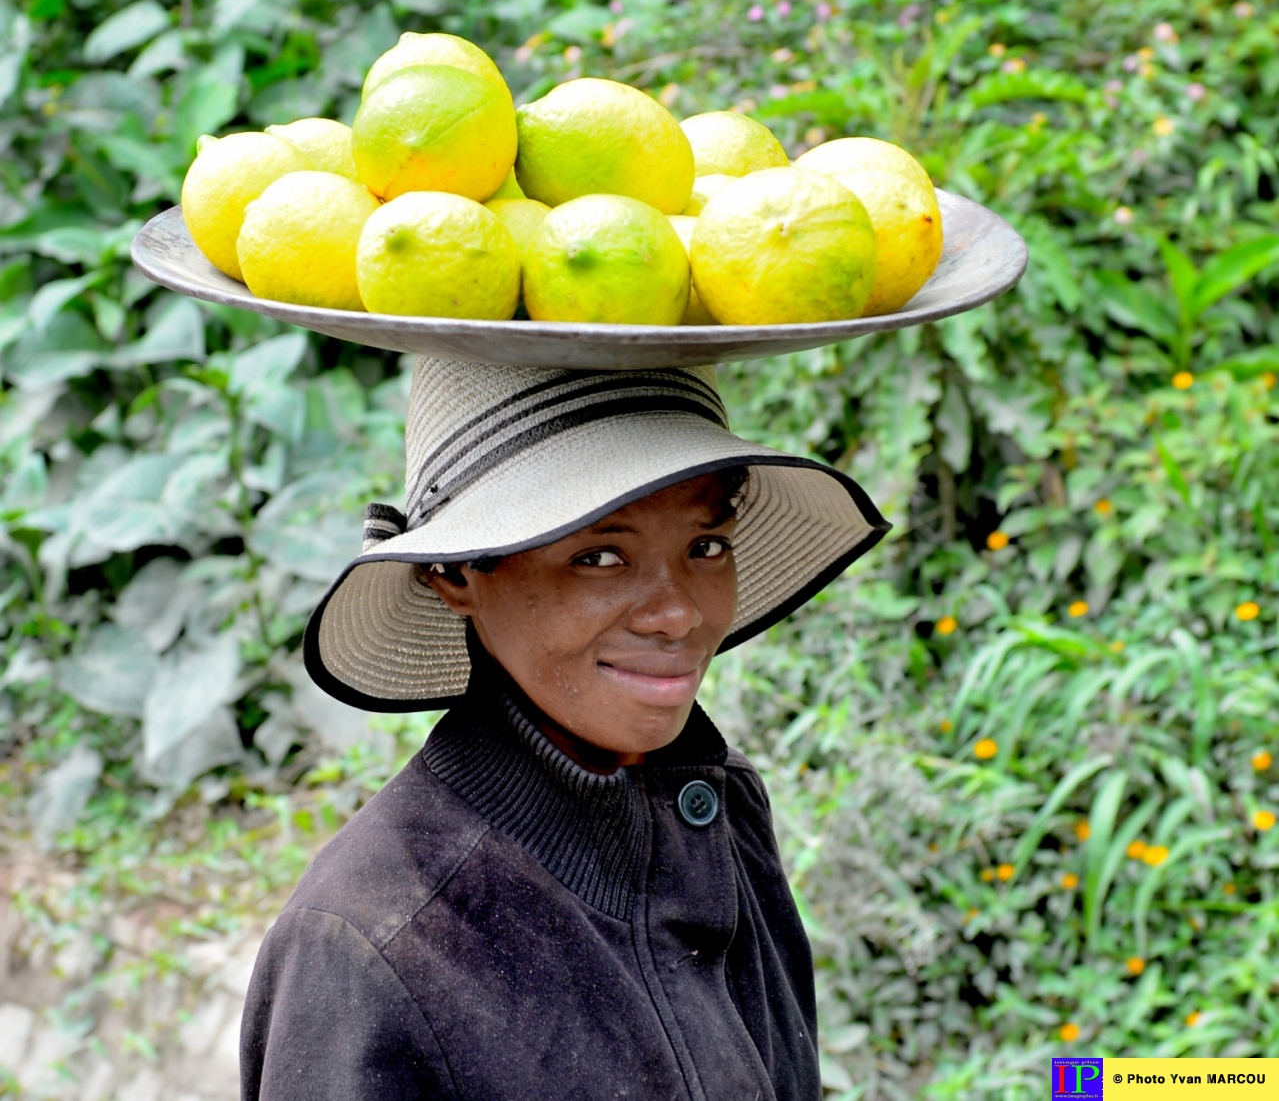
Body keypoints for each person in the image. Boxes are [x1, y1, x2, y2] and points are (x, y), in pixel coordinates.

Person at [239, 359, 888, 1100]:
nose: (677, 612)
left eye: (705, 546)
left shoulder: (722, 805)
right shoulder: (373, 938)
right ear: (454, 575)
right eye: (598, 556)